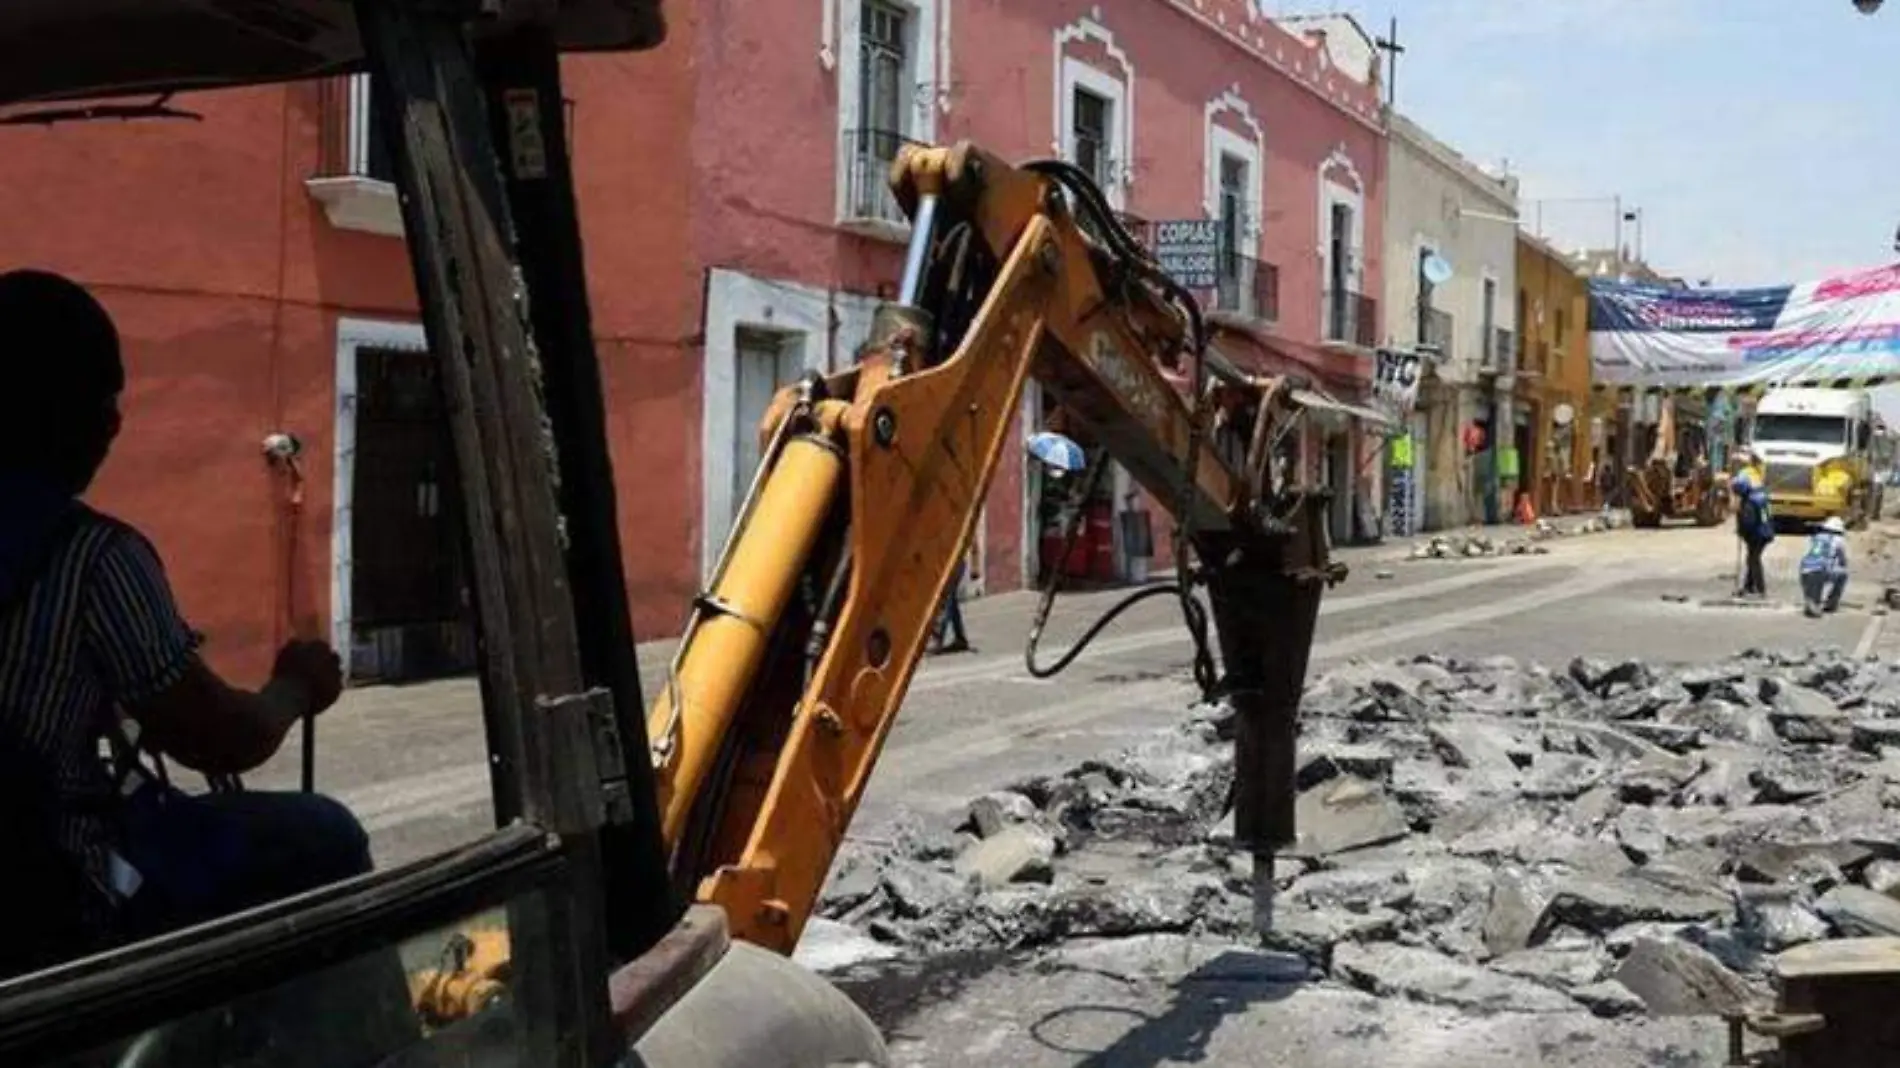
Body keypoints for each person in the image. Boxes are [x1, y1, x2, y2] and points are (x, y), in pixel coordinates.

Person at [0, 269, 368, 968]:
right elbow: (220, 741)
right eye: (103, 398)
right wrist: (295, 686)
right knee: (327, 834)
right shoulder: (93, 557)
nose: (115, 423)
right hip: (56, 886)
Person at [1731, 449, 1774, 599]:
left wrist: (1741, 530)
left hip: (1758, 531)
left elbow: (1749, 521)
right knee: (1752, 556)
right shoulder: (1755, 476)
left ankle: (1761, 589)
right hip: (1765, 529)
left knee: (1753, 558)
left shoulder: (1746, 482)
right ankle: (1749, 586)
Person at [1799, 516, 1850, 617]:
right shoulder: (1838, 540)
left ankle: (1812, 602)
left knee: (1813, 590)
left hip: (1804, 570)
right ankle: (1831, 603)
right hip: (1821, 570)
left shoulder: (1816, 537)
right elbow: (1843, 561)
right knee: (1843, 574)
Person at [930, 558, 972, 655]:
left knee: (947, 600)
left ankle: (938, 638)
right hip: (956, 563)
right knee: (952, 601)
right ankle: (960, 638)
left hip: (954, 564)